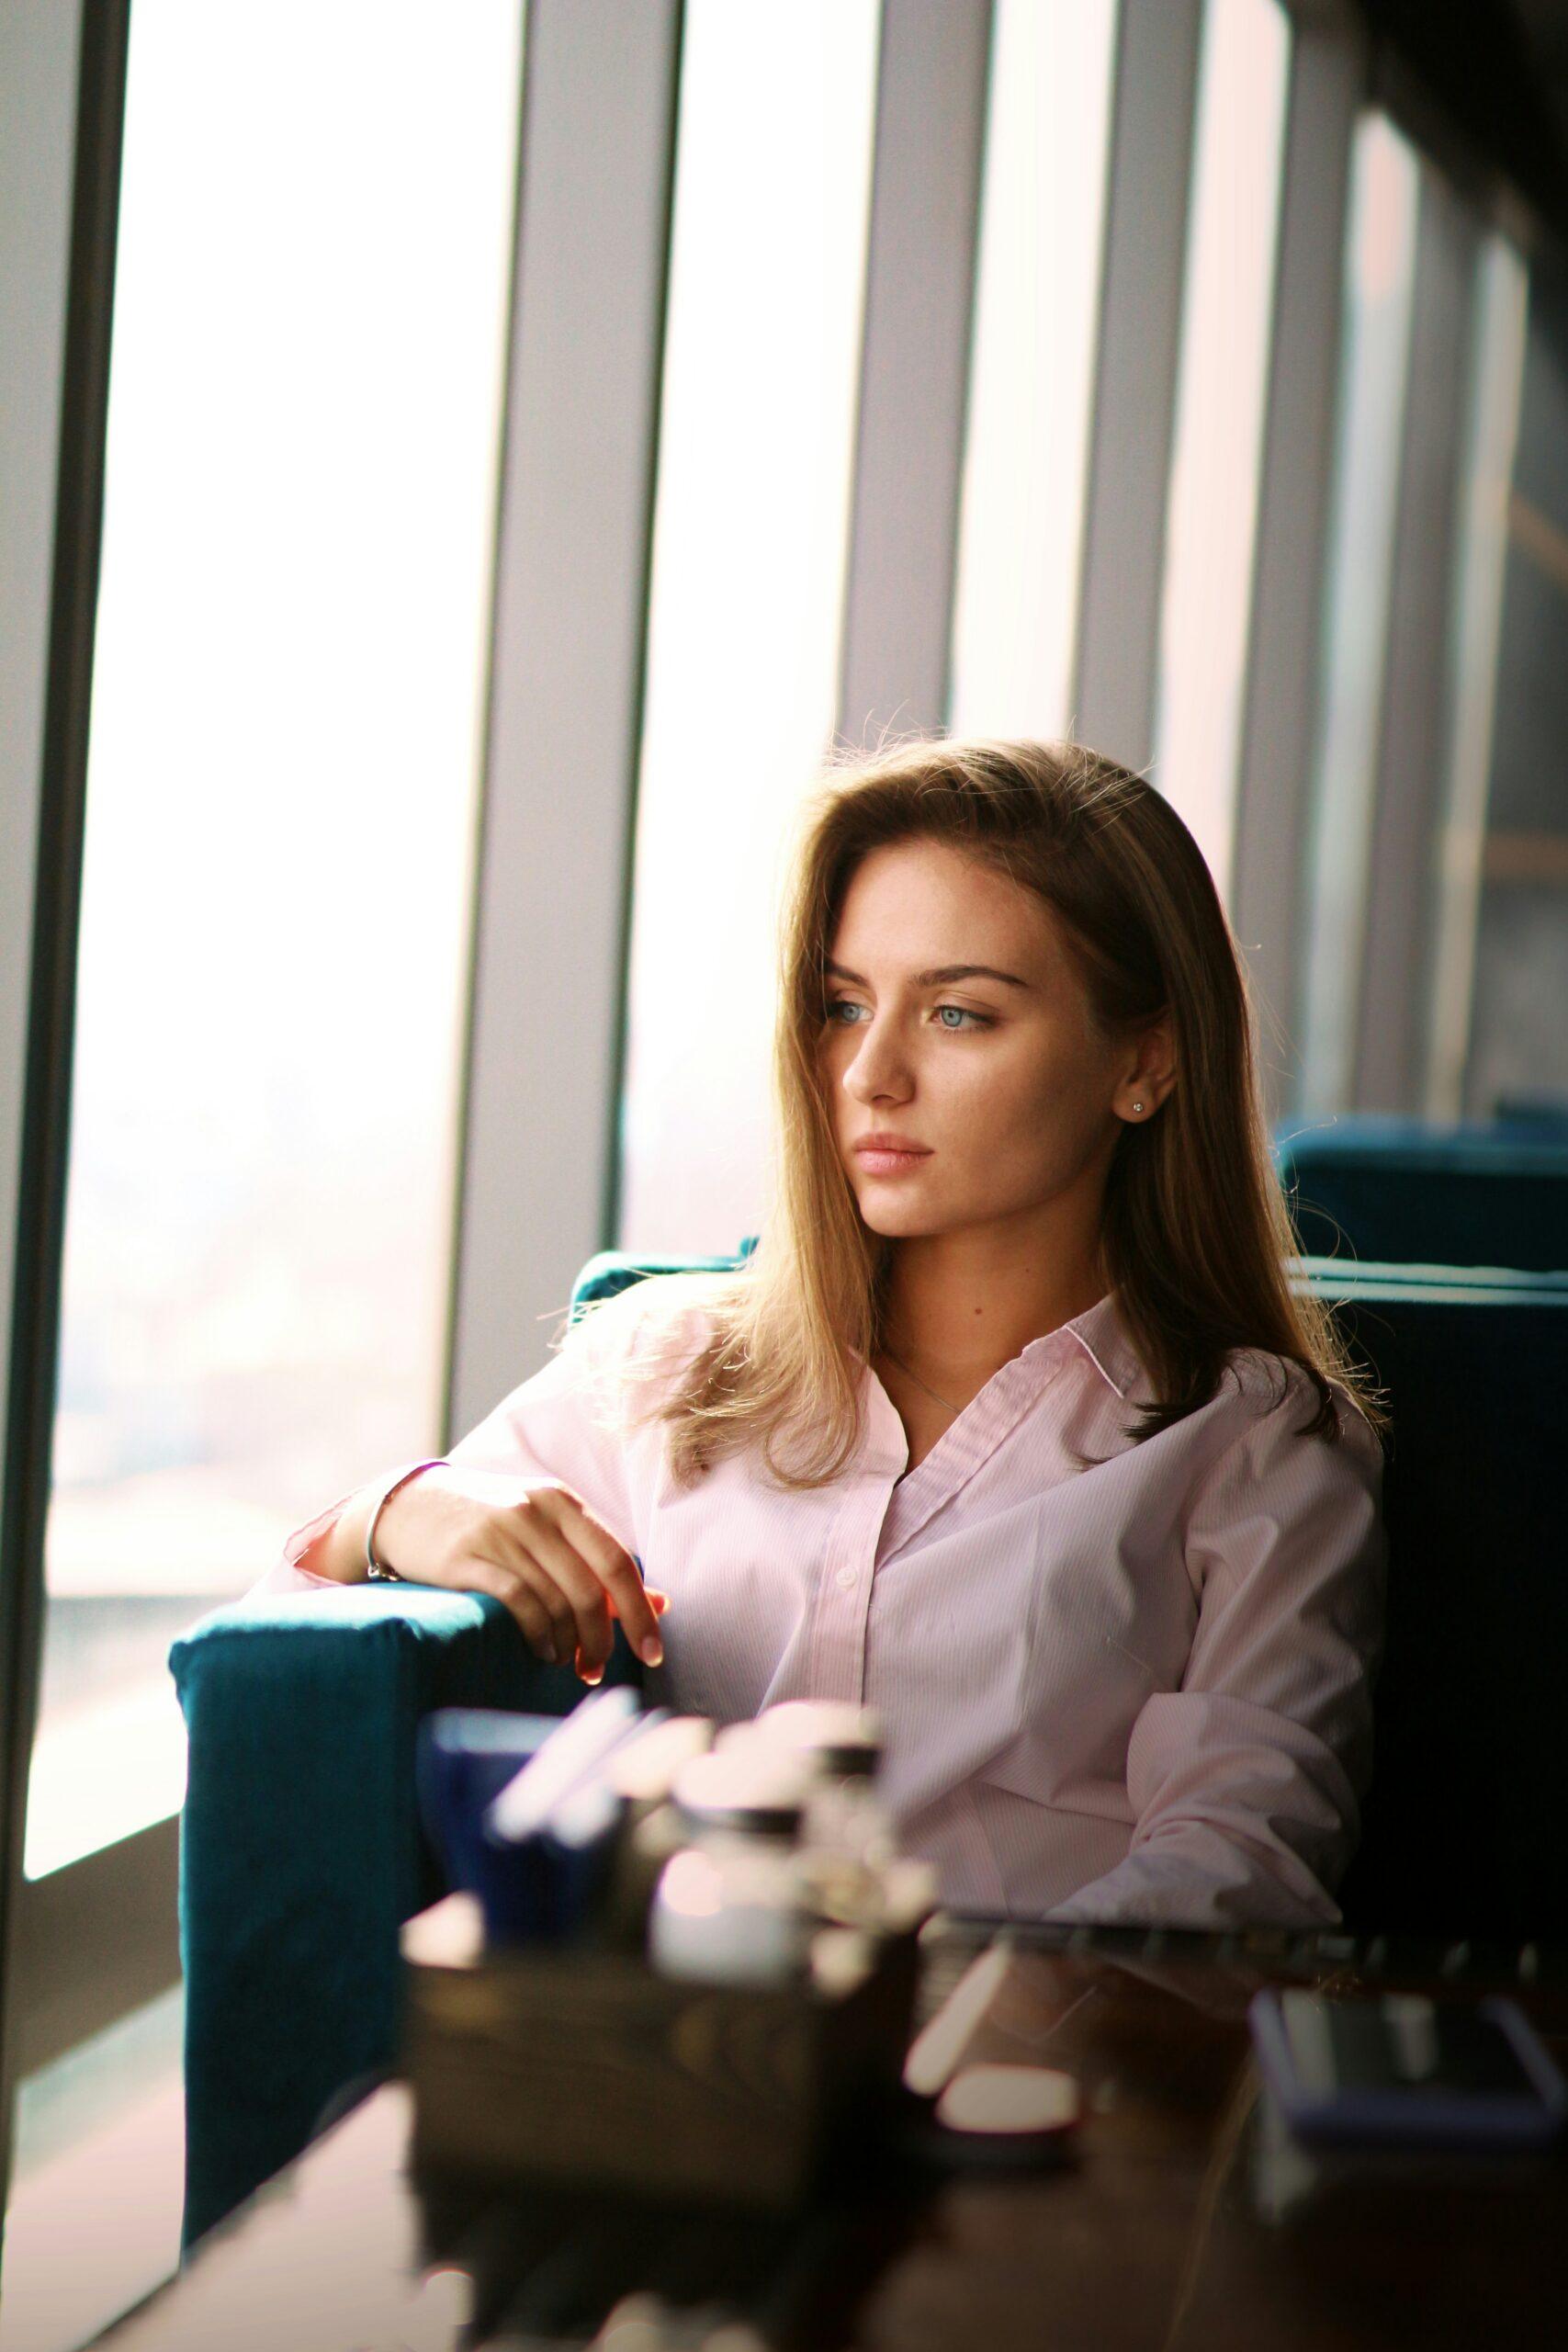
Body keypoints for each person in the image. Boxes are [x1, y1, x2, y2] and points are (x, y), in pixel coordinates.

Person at [257, 736, 1387, 1930]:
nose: (871, 1074)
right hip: (681, 2067)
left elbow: (1241, 1867)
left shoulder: (1255, 1446)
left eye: (958, 1014)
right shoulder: (673, 1365)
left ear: (1145, 1061)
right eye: (844, 1006)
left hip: (1033, 2083)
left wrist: (945, 2042)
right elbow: (275, 1670)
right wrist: (402, 1508)